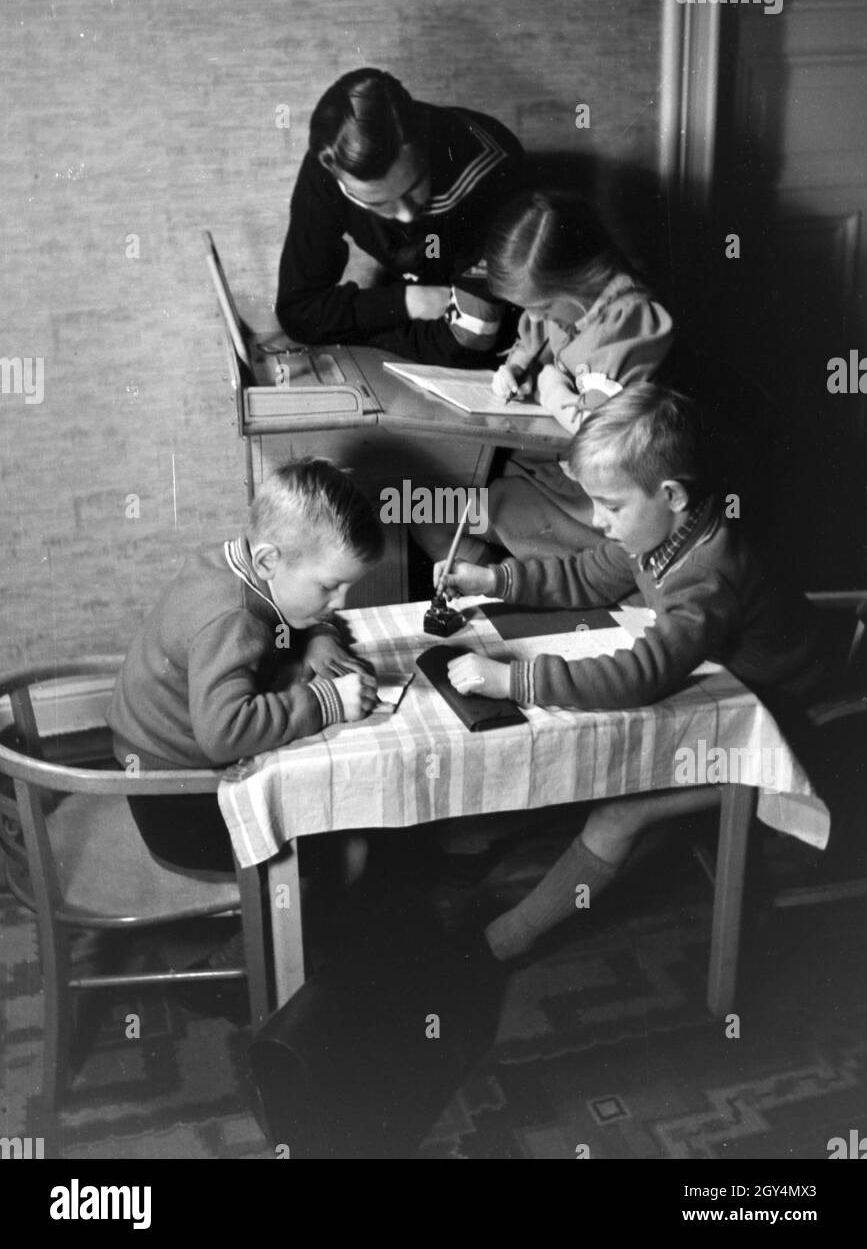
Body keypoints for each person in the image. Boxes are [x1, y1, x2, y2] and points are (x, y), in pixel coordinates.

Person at [434, 384, 829, 963]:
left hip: (780, 727)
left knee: (619, 809)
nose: (599, 521)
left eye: (611, 506)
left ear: (669, 493)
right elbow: (588, 577)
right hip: (736, 694)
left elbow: (642, 675)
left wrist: (511, 681)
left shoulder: (708, 570)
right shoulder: (667, 528)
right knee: (607, 754)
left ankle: (500, 944)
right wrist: (494, 581)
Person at [108, 459, 384, 877]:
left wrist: (319, 634)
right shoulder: (231, 619)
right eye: (329, 587)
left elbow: (281, 618)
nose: (342, 602)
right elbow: (225, 733)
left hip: (169, 767)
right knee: (350, 846)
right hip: (174, 801)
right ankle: (258, 942)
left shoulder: (241, 568)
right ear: (269, 561)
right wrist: (326, 701)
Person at [420, 190, 675, 565]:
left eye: (541, 307)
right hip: (542, 471)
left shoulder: (629, 323)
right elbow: (532, 341)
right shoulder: (568, 308)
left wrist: (548, 385)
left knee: (422, 508)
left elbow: (594, 430)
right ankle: (503, 579)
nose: (535, 318)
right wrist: (516, 369)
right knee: (418, 504)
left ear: (582, 277)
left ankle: (518, 585)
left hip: (596, 502)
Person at [275, 68, 524, 365]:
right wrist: (409, 302)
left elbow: (470, 339)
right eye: (379, 203)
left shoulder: (492, 170)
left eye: (414, 186)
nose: (405, 216)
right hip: (423, 323)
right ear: (341, 181)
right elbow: (299, 311)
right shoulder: (326, 168)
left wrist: (352, 325)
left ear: (423, 139)